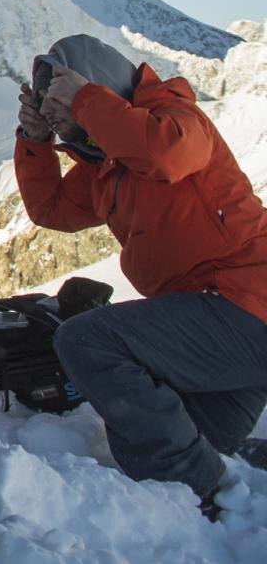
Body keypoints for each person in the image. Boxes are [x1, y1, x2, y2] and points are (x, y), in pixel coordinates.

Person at [15, 33, 267, 514]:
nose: (55, 118)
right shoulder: (108, 164)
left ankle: (198, 499)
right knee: (201, 442)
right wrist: (35, 142)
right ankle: (227, 476)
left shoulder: (178, 119)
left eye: (58, 107)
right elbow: (51, 210)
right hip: (218, 322)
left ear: (98, 88)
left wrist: (86, 100)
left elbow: (166, 154)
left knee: (87, 340)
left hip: (243, 304)